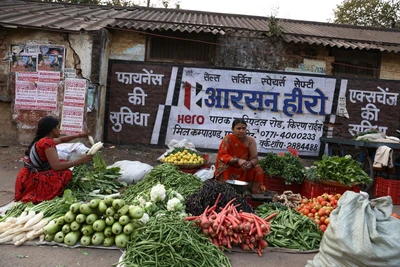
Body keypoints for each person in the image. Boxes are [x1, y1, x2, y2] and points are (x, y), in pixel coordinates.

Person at [15, 116, 93, 204]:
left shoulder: (43, 140)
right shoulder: (47, 142)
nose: (59, 130)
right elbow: (56, 166)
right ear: (53, 130)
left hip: (26, 175)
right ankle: (45, 194)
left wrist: (79, 135)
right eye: (58, 127)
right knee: (66, 173)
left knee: (63, 163)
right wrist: (80, 160)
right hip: (33, 178)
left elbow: (61, 140)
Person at [214, 118, 265, 194]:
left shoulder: (250, 140)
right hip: (231, 165)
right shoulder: (228, 139)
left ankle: (254, 193)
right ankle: (224, 190)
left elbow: (254, 158)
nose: (241, 131)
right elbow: (223, 155)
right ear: (232, 130)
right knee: (224, 166)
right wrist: (238, 160)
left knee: (257, 168)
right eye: (238, 128)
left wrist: (249, 164)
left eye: (244, 128)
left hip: (244, 167)